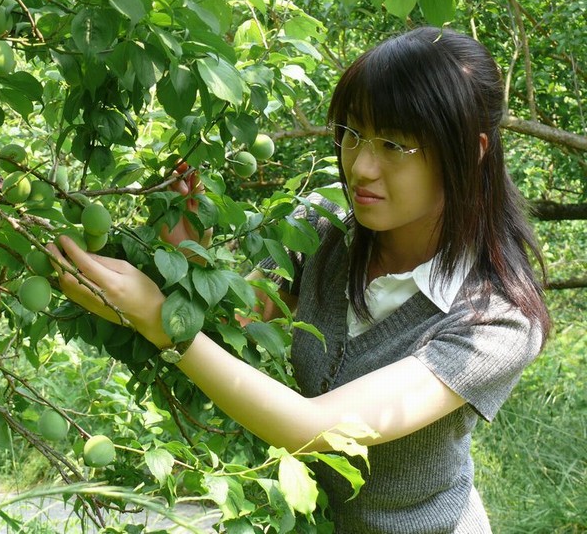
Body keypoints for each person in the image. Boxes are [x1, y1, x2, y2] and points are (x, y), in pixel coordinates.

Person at [47, 27, 551, 533]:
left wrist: (160, 321)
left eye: (395, 145)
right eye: (353, 134)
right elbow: (236, 332)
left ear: (471, 149)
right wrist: (189, 258)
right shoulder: (323, 227)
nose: (362, 166)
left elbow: (317, 429)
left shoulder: (497, 317)